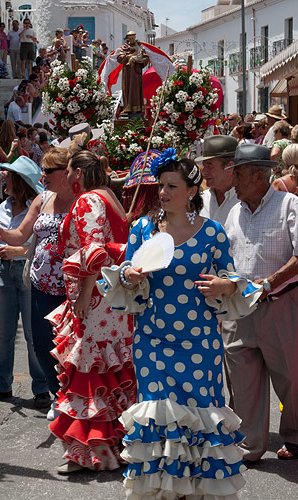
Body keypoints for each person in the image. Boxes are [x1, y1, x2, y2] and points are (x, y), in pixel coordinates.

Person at [98, 148, 262, 499]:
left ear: (192, 191)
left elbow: (233, 278)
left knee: (199, 417)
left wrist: (226, 285)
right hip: (152, 340)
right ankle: (163, 492)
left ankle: (199, 492)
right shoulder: (142, 227)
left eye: (172, 186)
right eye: (161, 185)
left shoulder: (213, 233)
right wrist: (128, 275)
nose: (163, 192)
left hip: (199, 345)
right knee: (158, 418)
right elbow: (127, 274)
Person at [46, 149, 135, 474]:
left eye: (69, 170)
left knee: (88, 373)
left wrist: (84, 294)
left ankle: (91, 453)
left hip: (95, 300)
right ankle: (112, 447)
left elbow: (92, 249)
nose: (67, 177)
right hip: (112, 301)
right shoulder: (110, 195)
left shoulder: (88, 200)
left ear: (79, 173)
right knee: (109, 372)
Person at [223, 144, 298, 462]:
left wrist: (270, 283)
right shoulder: (234, 211)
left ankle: (297, 436)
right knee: (243, 382)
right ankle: (249, 446)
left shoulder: (289, 205)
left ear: (259, 176)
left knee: (292, 377)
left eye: (238, 175)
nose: (234, 182)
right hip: (239, 309)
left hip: (280, 305)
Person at [0, 147, 75, 419]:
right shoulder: (39, 200)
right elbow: (21, 234)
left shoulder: (80, 200)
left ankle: (59, 393)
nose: (44, 175)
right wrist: (2, 234)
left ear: (67, 173)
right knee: (32, 340)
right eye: (43, 170)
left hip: (69, 286)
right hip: (35, 281)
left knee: (59, 343)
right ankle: (50, 393)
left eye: (49, 170)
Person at [0, 156, 51, 408]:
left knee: (33, 334)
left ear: (20, 181)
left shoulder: (36, 209)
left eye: (9, 176)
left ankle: (41, 387)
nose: (4, 179)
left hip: (25, 271)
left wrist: (16, 250)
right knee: (4, 333)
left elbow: (36, 244)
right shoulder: (4, 206)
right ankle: (0, 385)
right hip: (4, 271)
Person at [198, 135, 238, 225]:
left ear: (229, 167)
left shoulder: (246, 202)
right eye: (204, 165)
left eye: (209, 165)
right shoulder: (201, 200)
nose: (204, 172)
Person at [117, 31, 149, 115]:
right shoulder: (124, 48)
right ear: (127, 38)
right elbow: (119, 58)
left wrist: (139, 60)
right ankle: (127, 107)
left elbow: (146, 58)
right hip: (127, 72)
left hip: (136, 71)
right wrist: (130, 56)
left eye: (133, 38)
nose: (131, 40)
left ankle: (138, 107)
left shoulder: (140, 47)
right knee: (127, 88)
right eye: (130, 38)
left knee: (136, 89)